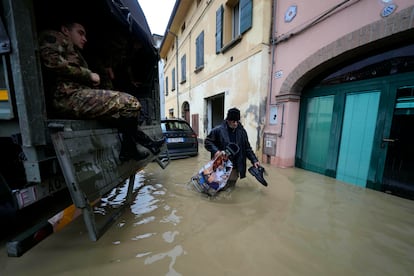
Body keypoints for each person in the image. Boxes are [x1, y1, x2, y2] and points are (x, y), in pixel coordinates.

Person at [38, 21, 164, 161]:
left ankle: (145, 145)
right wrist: (88, 75)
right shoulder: (56, 37)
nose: (84, 38)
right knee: (131, 103)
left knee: (120, 116)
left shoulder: (76, 52)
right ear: (65, 30)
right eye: (80, 33)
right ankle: (130, 150)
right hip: (67, 97)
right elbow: (51, 61)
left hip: (76, 96)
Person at [204, 107, 260, 190]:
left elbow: (247, 148)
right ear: (228, 120)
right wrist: (216, 151)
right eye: (233, 121)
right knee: (216, 187)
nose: (236, 124)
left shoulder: (242, 132)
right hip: (220, 165)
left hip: (235, 166)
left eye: (237, 121)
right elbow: (208, 142)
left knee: (231, 187)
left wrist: (254, 160)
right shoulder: (217, 130)